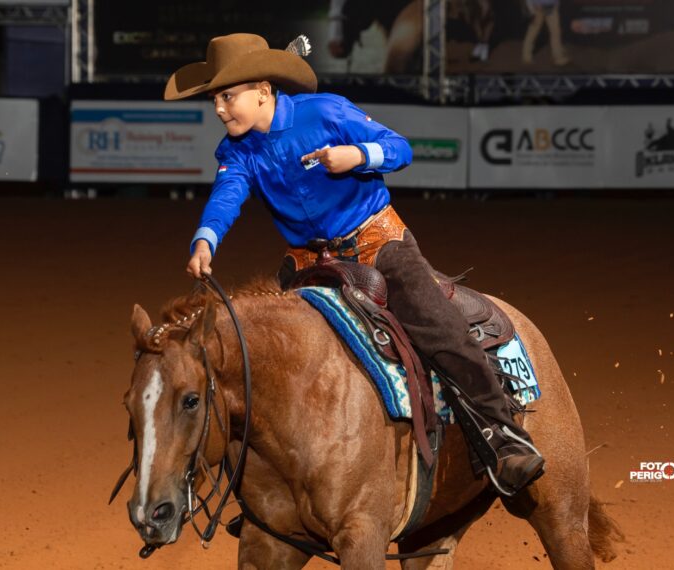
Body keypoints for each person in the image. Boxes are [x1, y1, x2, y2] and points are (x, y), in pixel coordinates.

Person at [166, 33, 544, 494]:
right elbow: (226, 197)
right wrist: (206, 240)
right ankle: (273, 490)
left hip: (376, 241)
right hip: (309, 258)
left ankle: (503, 435)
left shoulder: (325, 111)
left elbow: (400, 148)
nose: (221, 109)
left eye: (228, 96)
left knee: (437, 326)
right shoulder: (237, 150)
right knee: (267, 358)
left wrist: (357, 156)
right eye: (215, 101)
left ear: (263, 91)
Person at [522, 0, 570, 66]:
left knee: (555, 32)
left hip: (551, 7)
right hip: (537, 8)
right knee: (532, 32)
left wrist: (556, 5)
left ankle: (558, 57)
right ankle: (526, 57)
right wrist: (532, 11)